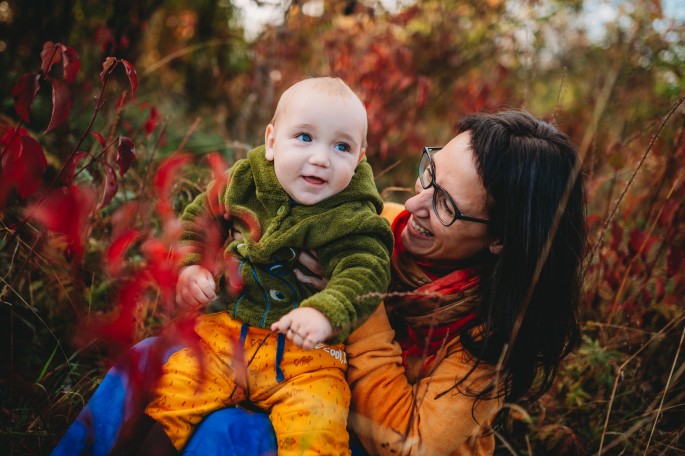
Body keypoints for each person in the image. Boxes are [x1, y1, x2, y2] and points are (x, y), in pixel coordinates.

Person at [53, 108, 586, 455]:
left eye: (447, 204)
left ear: (502, 240)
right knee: (150, 359)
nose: (417, 205)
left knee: (227, 436)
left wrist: (354, 300)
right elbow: (232, 229)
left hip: (341, 435)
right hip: (281, 380)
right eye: (431, 174)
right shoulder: (371, 221)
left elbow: (408, 444)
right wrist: (210, 269)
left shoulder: (489, 338)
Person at [110, 76, 392, 455]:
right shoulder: (244, 182)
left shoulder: (354, 217)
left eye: (341, 146)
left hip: (308, 359)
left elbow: (366, 272)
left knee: (320, 425)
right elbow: (200, 221)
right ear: (272, 141)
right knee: (175, 393)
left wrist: (326, 313)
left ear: (358, 160)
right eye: (305, 137)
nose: (321, 158)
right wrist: (192, 268)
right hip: (226, 335)